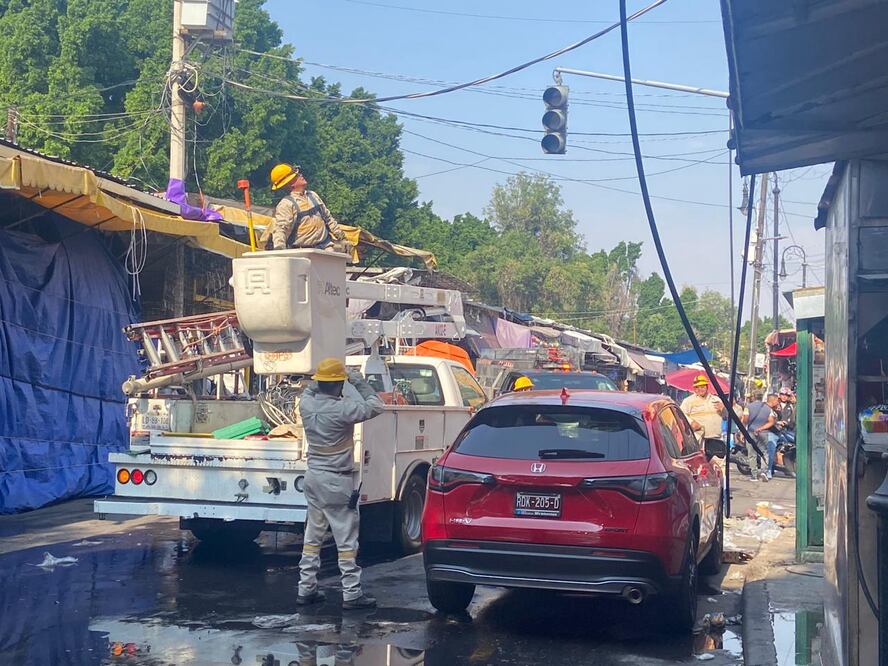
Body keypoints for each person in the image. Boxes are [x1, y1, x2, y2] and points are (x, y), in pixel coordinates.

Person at [297, 357, 384, 610]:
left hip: (313, 478)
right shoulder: (343, 409)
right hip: (336, 480)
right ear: (338, 385)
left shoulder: (306, 405)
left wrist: (324, 376)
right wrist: (356, 379)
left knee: (313, 536)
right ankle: (352, 594)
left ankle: (306, 589)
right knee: (346, 541)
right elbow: (375, 405)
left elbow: (312, 389)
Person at [261, 163, 347, 251]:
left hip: (325, 247)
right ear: (290, 183)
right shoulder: (286, 204)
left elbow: (328, 218)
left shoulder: (313, 195)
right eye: (296, 175)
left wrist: (342, 238)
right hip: (303, 252)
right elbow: (281, 229)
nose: (301, 175)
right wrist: (279, 248)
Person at [680, 375, 726, 440]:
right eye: (697, 387)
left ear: (707, 387)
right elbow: (680, 415)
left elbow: (726, 417)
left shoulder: (716, 399)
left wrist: (723, 409)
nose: (699, 389)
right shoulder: (688, 401)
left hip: (716, 438)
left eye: (702, 387)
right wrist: (690, 422)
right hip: (698, 439)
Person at [746, 392, 779, 480]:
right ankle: (764, 472)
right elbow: (771, 421)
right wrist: (761, 428)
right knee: (764, 453)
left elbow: (744, 419)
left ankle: (754, 475)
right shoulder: (768, 409)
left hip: (750, 432)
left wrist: (742, 431)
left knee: (752, 454)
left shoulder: (748, 406)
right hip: (763, 433)